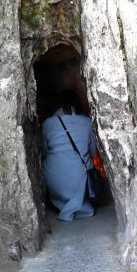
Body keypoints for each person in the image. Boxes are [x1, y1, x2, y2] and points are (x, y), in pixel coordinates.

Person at [41, 90, 97, 221]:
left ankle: (61, 203)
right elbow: (93, 153)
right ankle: (79, 204)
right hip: (79, 178)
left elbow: (43, 152)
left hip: (54, 179)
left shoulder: (47, 124)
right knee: (84, 163)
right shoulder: (87, 122)